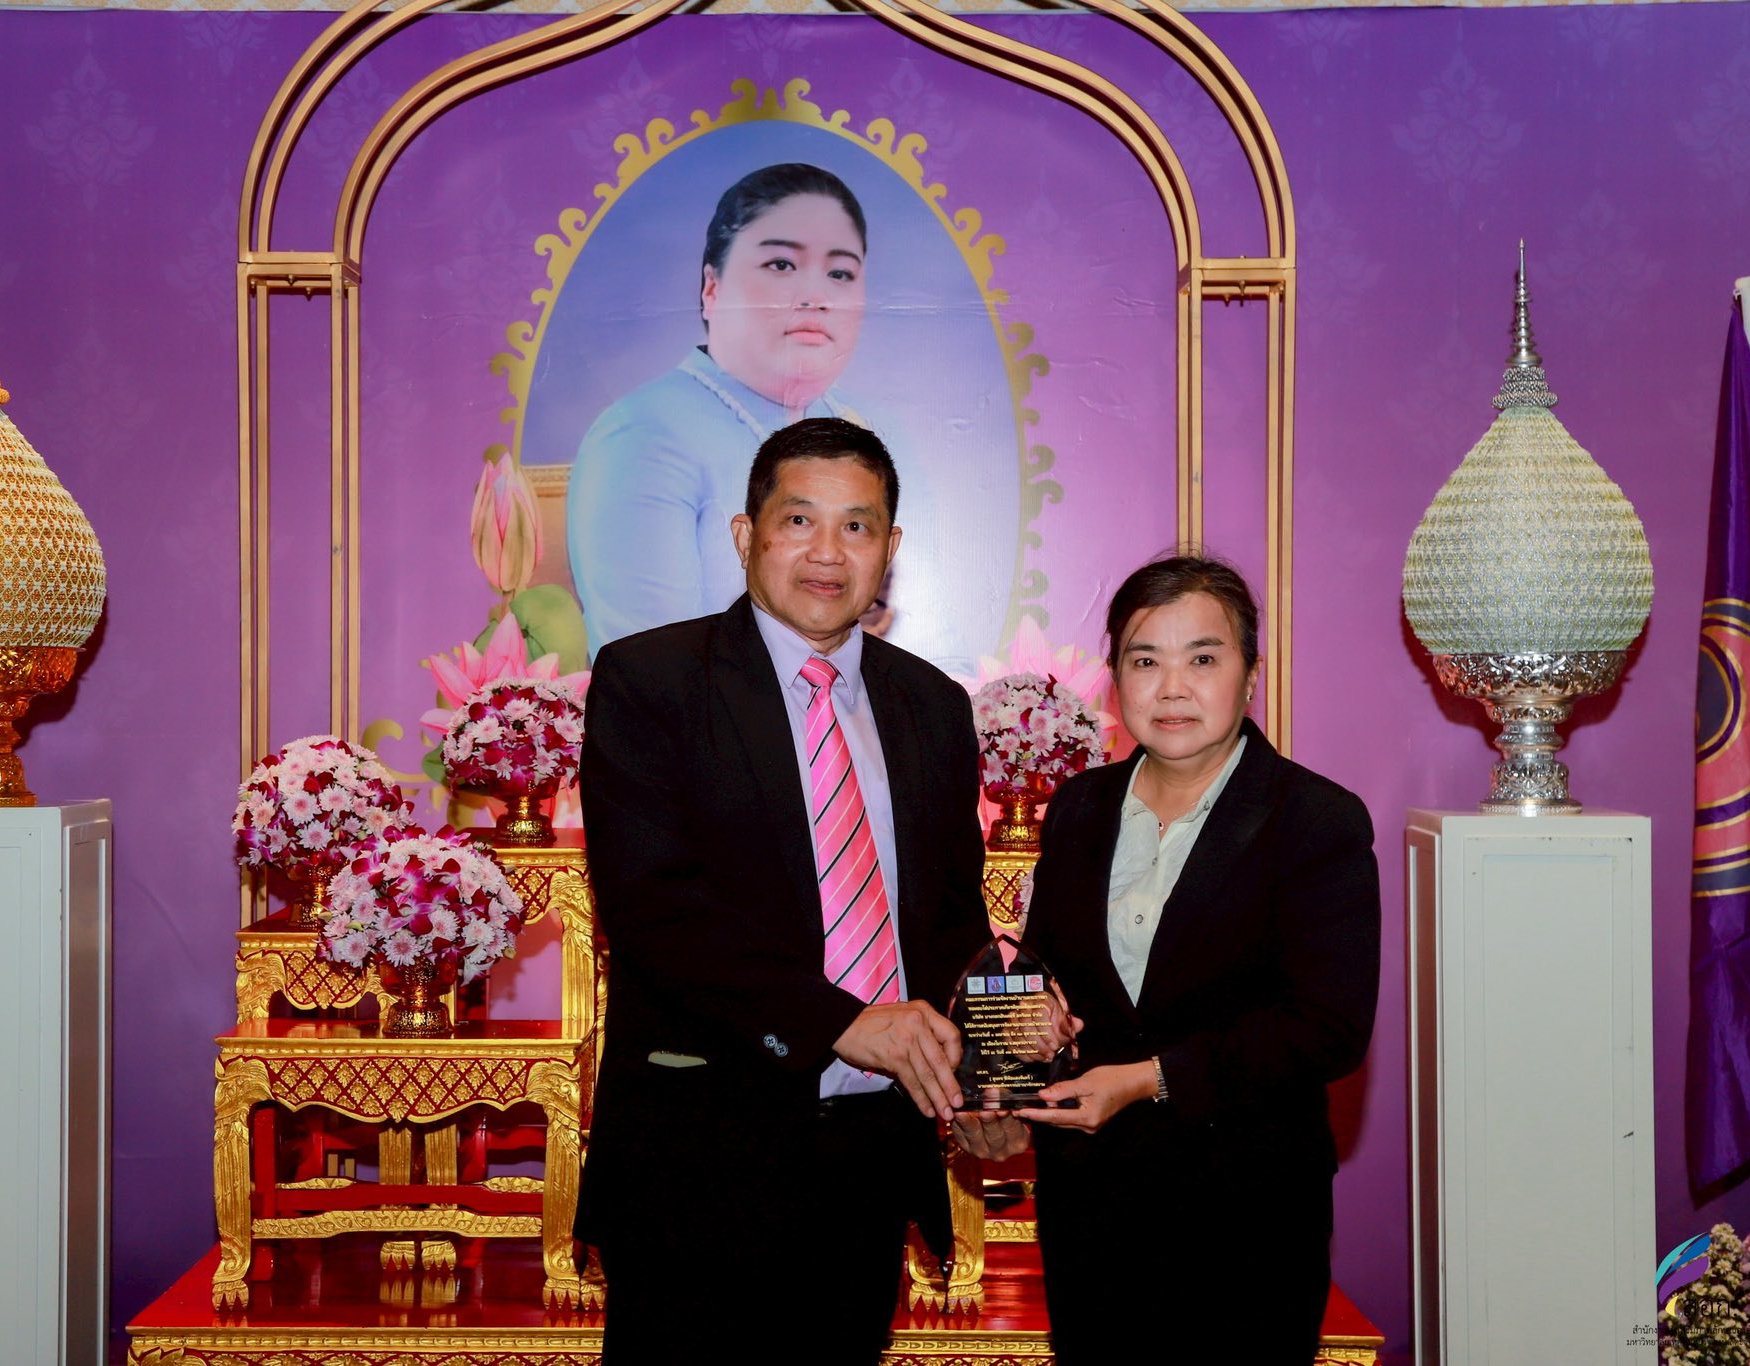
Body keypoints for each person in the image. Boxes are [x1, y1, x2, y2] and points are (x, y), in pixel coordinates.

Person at [577, 417, 989, 1362]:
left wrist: (990, 1076)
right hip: (700, 1159)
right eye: (799, 520)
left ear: (890, 548)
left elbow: (951, 923)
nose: (827, 552)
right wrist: (842, 1022)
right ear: (745, 534)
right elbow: (655, 913)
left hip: (871, 1156)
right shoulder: (652, 681)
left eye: (857, 526)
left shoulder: (932, 705)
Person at [952, 554, 1381, 1364]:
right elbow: (1049, 980)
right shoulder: (1079, 808)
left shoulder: (1314, 820)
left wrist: (1148, 1078)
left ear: (1251, 675)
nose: (1172, 687)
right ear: (1116, 679)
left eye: (1203, 659)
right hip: (1093, 1210)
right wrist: (1022, 1056)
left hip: (1247, 1213)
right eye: (1145, 661)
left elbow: (1328, 1028)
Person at [567, 163, 874, 659]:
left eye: (839, 273)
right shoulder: (643, 436)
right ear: (712, 288)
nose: (816, 297)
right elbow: (652, 671)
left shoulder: (863, 432)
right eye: (781, 265)